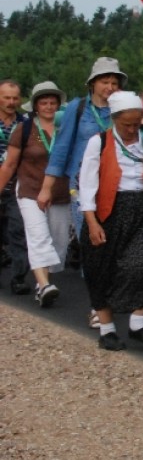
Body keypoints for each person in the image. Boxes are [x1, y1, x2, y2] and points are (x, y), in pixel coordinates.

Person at [78, 91, 143, 351]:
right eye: (126, 124)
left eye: (136, 123)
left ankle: (138, 325)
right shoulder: (98, 143)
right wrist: (92, 222)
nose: (132, 130)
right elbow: (87, 185)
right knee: (101, 269)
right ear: (114, 120)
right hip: (107, 212)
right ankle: (107, 330)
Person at [39, 56, 125, 328]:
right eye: (105, 81)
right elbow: (61, 149)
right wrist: (47, 188)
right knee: (93, 244)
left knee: (114, 246)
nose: (110, 87)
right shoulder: (78, 109)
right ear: (92, 84)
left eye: (114, 82)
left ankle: (108, 297)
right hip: (82, 188)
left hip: (118, 186)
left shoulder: (122, 109)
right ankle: (97, 306)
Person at [0, 81, 70, 306]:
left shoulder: (65, 128)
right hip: (30, 190)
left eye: (52, 102)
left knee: (58, 241)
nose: (48, 106)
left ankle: (43, 286)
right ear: (36, 106)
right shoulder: (27, 129)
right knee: (37, 236)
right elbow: (10, 164)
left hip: (60, 192)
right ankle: (43, 284)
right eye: (44, 103)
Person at [0, 78, 30, 294]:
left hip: (16, 186)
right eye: (6, 98)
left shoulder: (25, 123)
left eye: (14, 98)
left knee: (18, 232)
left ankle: (19, 277)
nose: (11, 102)